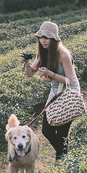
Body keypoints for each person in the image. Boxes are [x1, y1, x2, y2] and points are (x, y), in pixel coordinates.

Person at [21, 21, 79, 159]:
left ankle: (61, 159)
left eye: (46, 38)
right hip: (55, 92)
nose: (42, 41)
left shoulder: (64, 54)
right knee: (47, 130)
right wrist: (26, 63)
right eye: (41, 37)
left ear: (53, 39)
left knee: (62, 132)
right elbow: (30, 74)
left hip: (69, 92)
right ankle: (64, 155)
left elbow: (69, 80)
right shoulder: (43, 54)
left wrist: (49, 73)